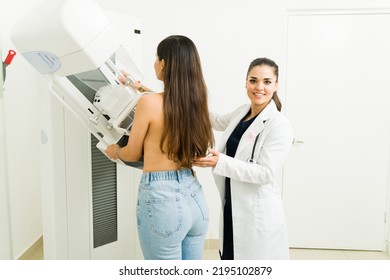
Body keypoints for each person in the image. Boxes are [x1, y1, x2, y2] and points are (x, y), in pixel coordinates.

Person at [105, 35, 214, 260]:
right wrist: (139, 88)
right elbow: (168, 105)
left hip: (162, 200)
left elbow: (132, 153)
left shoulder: (148, 103)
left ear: (163, 63)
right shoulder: (197, 102)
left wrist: (114, 150)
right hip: (194, 197)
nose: (155, 63)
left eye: (156, 58)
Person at [192, 57, 293, 260]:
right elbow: (216, 120)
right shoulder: (242, 112)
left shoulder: (279, 124)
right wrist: (185, 99)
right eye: (253, 80)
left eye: (266, 82)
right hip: (232, 204)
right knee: (229, 258)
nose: (259, 87)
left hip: (256, 213)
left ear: (276, 85)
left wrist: (219, 161)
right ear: (246, 82)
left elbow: (265, 173)